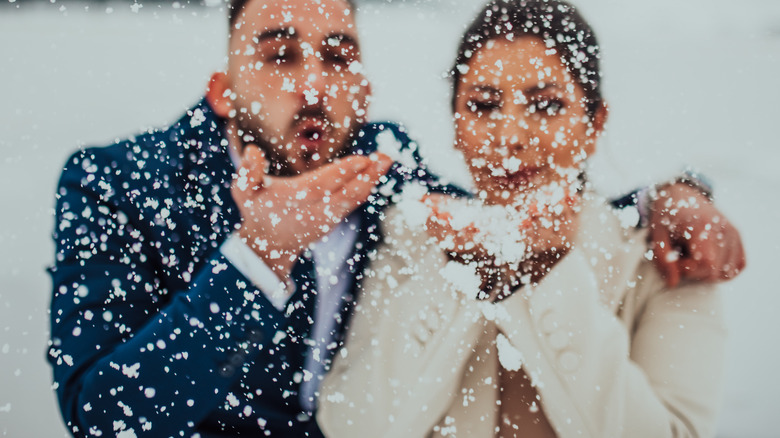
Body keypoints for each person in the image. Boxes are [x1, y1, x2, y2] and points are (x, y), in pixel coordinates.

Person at [47, 0, 743, 436]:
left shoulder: (385, 170)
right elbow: (109, 421)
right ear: (224, 91)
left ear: (364, 87)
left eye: (338, 55)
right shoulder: (117, 184)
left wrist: (674, 198)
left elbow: (526, 208)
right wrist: (256, 257)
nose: (314, 82)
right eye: (281, 53)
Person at [318, 0, 736, 437]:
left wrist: (550, 272)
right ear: (455, 125)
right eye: (483, 106)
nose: (510, 137)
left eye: (546, 106)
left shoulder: (669, 262)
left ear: (594, 124)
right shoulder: (409, 243)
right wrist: (459, 272)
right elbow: (353, 426)